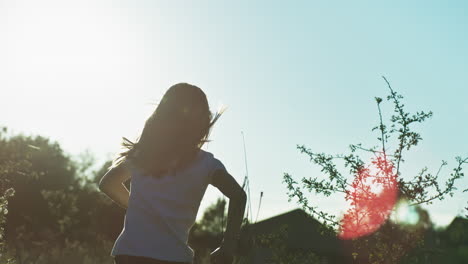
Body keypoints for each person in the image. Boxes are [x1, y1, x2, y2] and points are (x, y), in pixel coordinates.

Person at [99, 83, 247, 264]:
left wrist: (140, 208)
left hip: (130, 253)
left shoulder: (144, 156)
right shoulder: (207, 164)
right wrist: (228, 246)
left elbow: (108, 184)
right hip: (173, 257)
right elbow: (238, 196)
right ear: (202, 122)